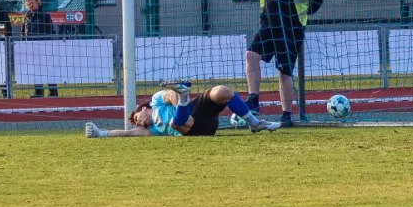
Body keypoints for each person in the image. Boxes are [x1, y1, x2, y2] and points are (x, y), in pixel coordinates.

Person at [244, 0, 323, 128]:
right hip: (269, 27)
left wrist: (303, 14)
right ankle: (253, 100)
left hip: (290, 30)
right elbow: (264, 1)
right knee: (251, 55)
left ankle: (286, 114)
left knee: (284, 71)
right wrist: (264, 18)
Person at [85, 80, 277, 138]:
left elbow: (170, 95)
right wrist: (100, 133)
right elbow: (127, 134)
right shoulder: (152, 130)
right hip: (193, 130)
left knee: (222, 91)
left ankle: (254, 123)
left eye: (137, 118)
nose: (139, 123)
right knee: (174, 123)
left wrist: (182, 107)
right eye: (137, 123)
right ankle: (184, 96)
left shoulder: (156, 101)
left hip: (195, 111)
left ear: (143, 108)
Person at [21, 0, 59, 98]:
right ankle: (39, 92)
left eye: (33, 2)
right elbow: (23, 32)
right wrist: (23, 44)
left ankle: (53, 92)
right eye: (29, 3)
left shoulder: (45, 15)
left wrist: (46, 45)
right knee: (35, 71)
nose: (31, 4)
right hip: (31, 48)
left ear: (38, 3)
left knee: (48, 70)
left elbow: (49, 31)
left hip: (44, 48)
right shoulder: (27, 16)